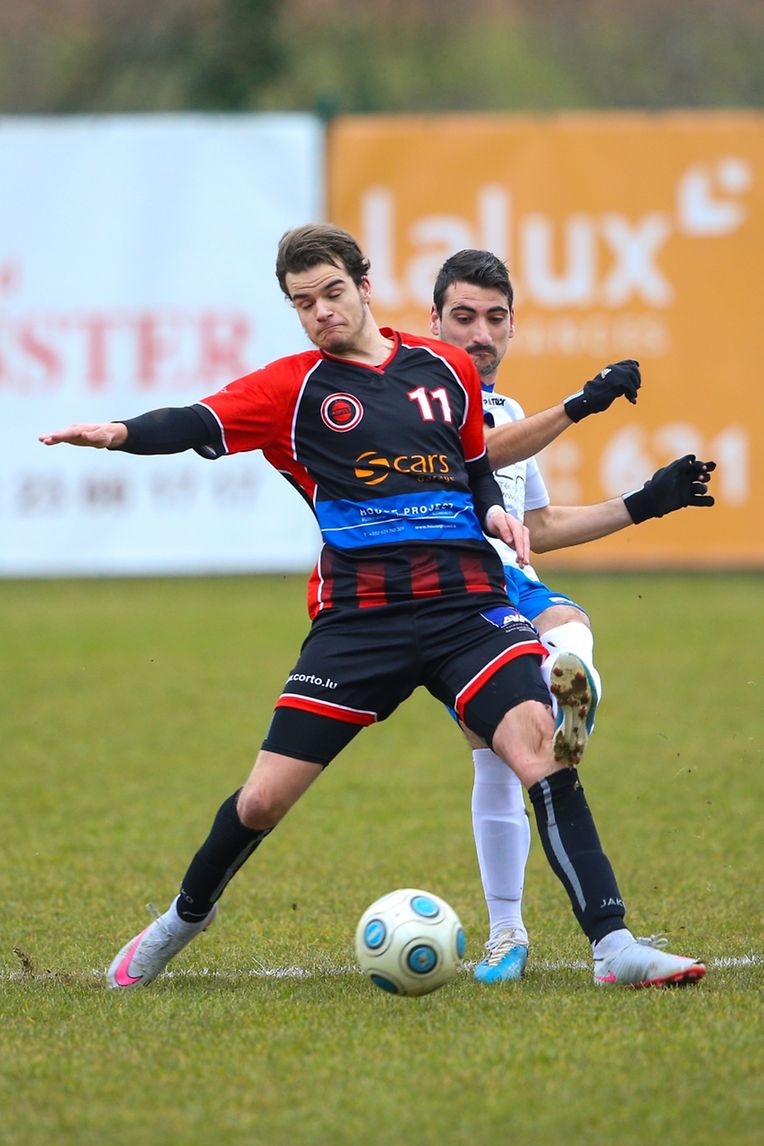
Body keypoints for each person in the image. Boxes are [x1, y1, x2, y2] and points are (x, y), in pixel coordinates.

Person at [39, 223, 711, 991]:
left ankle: (613, 945)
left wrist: (491, 509)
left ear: (364, 286)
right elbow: (194, 421)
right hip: (360, 623)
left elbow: (474, 465)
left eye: (332, 293)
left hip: (467, 607)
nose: (321, 312)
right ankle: (182, 919)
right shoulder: (292, 389)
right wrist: (119, 432)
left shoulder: (445, 369)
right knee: (261, 800)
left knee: (540, 747)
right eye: (303, 303)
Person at [430, 248, 716, 983]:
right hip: (456, 591)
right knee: (492, 750)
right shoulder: (421, 398)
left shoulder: (511, 408)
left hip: (510, 582)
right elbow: (479, 455)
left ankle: (573, 686)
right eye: (463, 317)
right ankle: (508, 933)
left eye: (495, 318)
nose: (480, 333)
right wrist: (583, 404)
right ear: (434, 320)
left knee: (561, 625)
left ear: (514, 325)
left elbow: (543, 523)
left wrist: (643, 504)